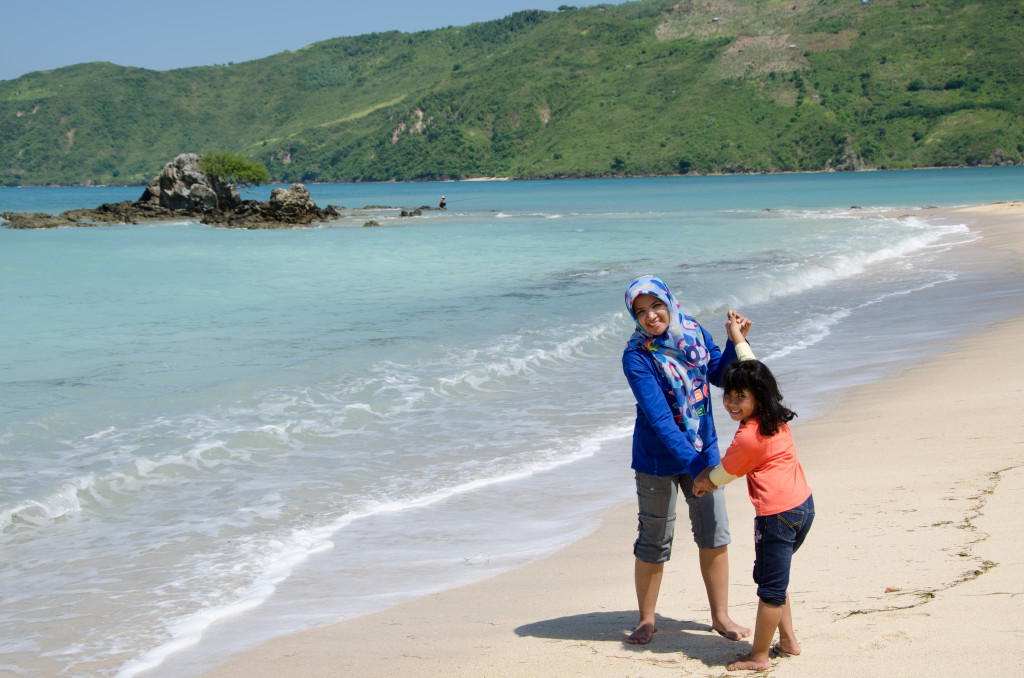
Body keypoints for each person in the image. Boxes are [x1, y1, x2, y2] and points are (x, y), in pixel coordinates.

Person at [622, 274, 753, 645]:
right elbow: (660, 419)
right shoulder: (636, 356)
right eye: (641, 311)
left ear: (669, 301)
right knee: (654, 539)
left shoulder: (692, 331)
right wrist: (699, 470)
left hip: (705, 452)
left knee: (714, 533)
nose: (651, 317)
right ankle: (646, 619)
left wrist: (734, 342)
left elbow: (719, 375)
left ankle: (720, 616)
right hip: (656, 460)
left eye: (656, 306)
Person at [693, 320, 814, 671]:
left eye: (739, 397)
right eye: (728, 395)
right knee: (774, 576)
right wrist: (737, 340)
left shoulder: (748, 438)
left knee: (770, 590)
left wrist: (701, 483)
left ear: (757, 396)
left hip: (777, 518)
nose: (731, 402)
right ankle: (788, 640)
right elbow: (752, 367)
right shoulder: (775, 412)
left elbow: (723, 474)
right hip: (803, 506)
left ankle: (759, 655)